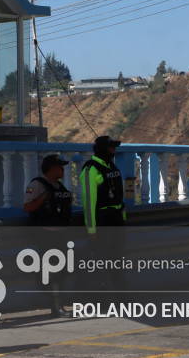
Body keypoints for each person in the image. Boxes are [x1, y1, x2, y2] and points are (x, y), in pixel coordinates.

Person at [24, 154, 73, 318]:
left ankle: (55, 302)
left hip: (60, 233)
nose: (63, 170)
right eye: (60, 167)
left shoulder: (59, 186)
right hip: (45, 234)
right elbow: (27, 208)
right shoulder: (36, 185)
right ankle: (57, 307)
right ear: (52, 169)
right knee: (54, 270)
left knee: (62, 269)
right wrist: (43, 198)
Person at [80, 136, 127, 293]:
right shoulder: (91, 170)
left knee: (118, 259)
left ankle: (121, 293)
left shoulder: (111, 166)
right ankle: (99, 295)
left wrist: (123, 218)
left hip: (117, 220)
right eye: (111, 148)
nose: (114, 151)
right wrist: (91, 230)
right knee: (100, 262)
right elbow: (89, 203)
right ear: (102, 150)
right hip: (103, 222)